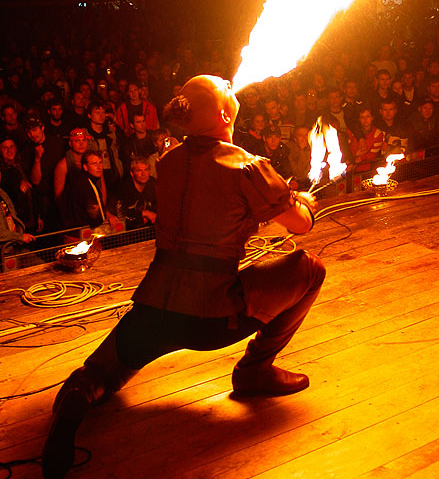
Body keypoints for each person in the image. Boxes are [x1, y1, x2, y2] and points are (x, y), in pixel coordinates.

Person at [42, 74, 325, 479]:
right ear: (226, 113)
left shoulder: (168, 160)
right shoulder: (247, 165)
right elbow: (299, 225)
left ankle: (76, 400)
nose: (232, 83)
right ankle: (254, 371)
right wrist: (302, 203)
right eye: (225, 87)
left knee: (98, 375)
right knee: (310, 268)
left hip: (153, 310)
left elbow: (211, 208)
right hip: (213, 317)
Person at [107, 157, 157, 230]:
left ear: (149, 171)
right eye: (139, 171)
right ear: (132, 173)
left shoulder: (153, 184)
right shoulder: (123, 188)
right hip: (127, 231)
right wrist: (144, 213)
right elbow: (121, 214)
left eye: (146, 170)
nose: (143, 174)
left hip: (149, 229)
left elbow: (160, 206)